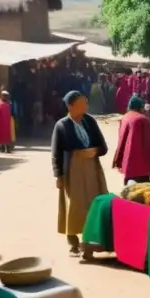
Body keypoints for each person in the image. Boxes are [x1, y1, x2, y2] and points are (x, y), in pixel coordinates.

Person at [51, 90, 109, 259]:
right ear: (70, 106)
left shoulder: (89, 121)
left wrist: (94, 152)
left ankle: (90, 239)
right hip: (72, 170)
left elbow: (103, 146)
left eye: (86, 102)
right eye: (82, 102)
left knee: (93, 202)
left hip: (92, 167)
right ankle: (73, 243)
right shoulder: (62, 126)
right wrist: (58, 175)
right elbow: (56, 153)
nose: (86, 105)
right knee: (74, 204)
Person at [113, 95, 150, 185]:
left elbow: (121, 140)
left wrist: (118, 160)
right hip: (141, 165)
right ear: (140, 107)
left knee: (129, 191)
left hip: (127, 163)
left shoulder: (124, 117)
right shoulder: (143, 119)